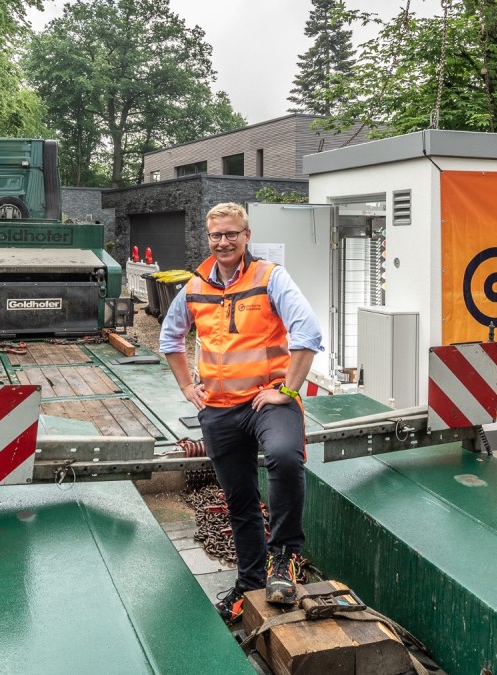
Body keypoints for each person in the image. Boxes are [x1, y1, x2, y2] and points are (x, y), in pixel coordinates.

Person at [159, 202, 323, 624]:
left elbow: (308, 331)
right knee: (240, 500)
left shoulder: (270, 277)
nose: (223, 242)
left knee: (286, 458)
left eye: (232, 234)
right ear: (208, 238)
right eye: (216, 235)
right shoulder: (195, 285)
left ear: (246, 236)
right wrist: (185, 385)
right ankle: (250, 583)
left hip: (267, 401)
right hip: (217, 409)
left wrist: (288, 389)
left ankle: (283, 559)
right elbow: (170, 338)